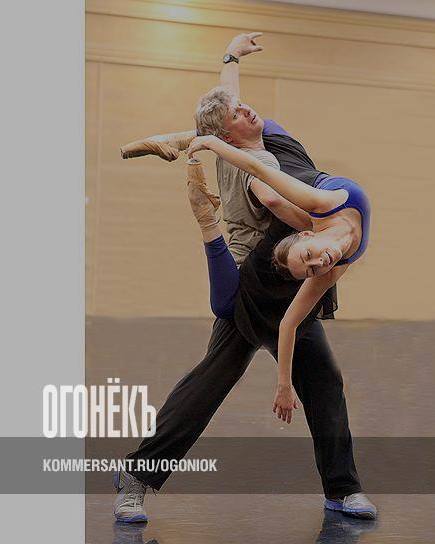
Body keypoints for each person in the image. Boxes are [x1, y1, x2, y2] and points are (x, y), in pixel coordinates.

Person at [112, 32, 376, 523]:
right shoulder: (259, 165)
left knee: (323, 380)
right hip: (254, 284)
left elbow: (226, 102)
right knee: (211, 382)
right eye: (236, 115)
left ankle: (343, 489)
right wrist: (327, 229)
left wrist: (232, 56)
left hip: (294, 278)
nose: (246, 110)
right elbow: (275, 196)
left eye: (244, 108)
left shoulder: (268, 136)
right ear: (228, 138)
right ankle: (135, 478)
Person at [184, 132, 370, 424]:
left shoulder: (323, 202)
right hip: (298, 209)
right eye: (312, 270)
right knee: (273, 199)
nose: (319, 262)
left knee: (266, 167)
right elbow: (288, 323)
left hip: (298, 173)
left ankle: (198, 133)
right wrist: (284, 384)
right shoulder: (331, 270)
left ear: (307, 237)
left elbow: (258, 169)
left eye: (308, 255)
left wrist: (212, 143)